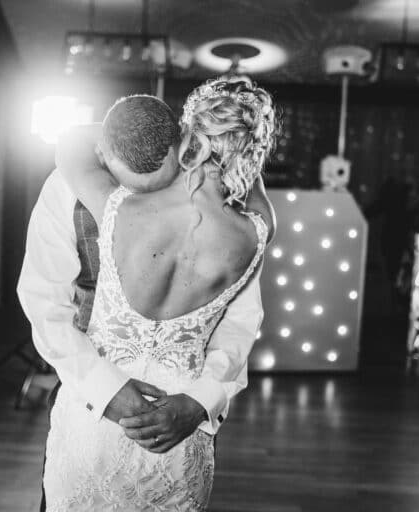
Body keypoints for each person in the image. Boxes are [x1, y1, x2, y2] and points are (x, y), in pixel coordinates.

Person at [19, 79, 276, 510]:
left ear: (184, 143)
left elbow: (240, 322)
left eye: (159, 177)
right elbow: (45, 306)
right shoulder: (65, 188)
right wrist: (102, 388)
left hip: (184, 427)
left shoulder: (120, 209)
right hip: (90, 409)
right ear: (105, 154)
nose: (138, 194)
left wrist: (202, 402)